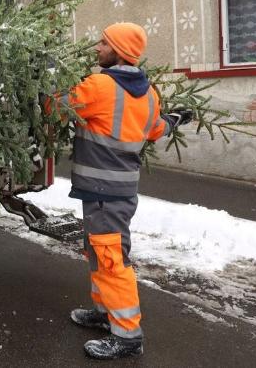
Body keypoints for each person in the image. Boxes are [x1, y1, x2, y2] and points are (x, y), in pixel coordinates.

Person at [50, 22, 193, 359]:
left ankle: (128, 337)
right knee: (101, 254)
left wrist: (45, 76)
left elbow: (56, 106)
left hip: (104, 193)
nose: (96, 47)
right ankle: (105, 314)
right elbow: (155, 128)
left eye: (103, 42)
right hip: (116, 191)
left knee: (112, 260)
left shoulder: (100, 86)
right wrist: (175, 118)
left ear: (119, 51)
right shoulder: (149, 92)